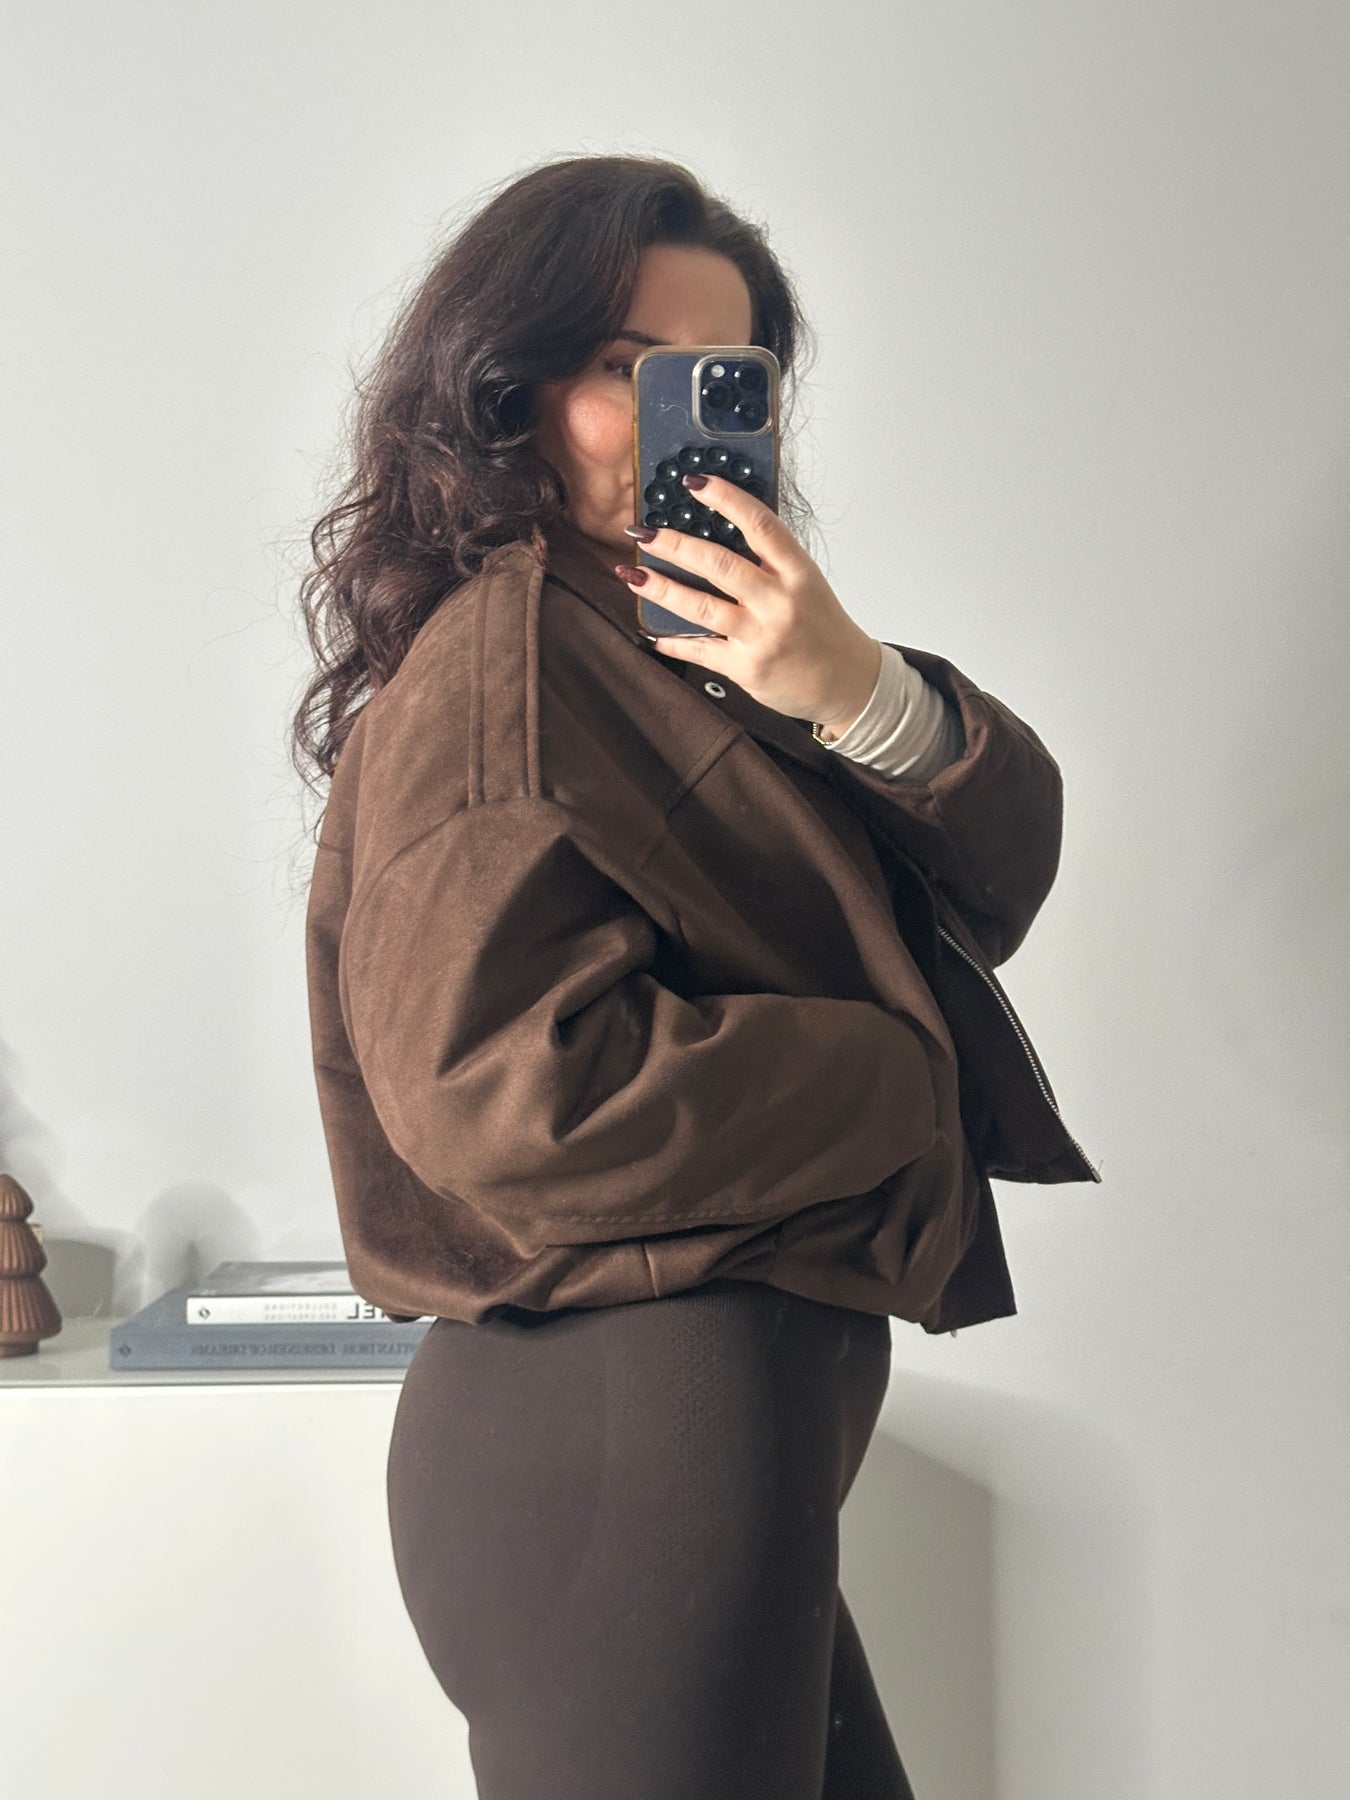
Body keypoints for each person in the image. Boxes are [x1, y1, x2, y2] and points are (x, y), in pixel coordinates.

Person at [293, 153, 1099, 1800]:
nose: (681, 414)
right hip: (620, 1440)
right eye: (624, 365)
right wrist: (892, 1074)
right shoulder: (511, 668)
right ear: (507, 388)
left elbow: (997, 877)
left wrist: (856, 687)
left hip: (693, 1444)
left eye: (727, 374)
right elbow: (502, 1094)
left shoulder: (696, 654)